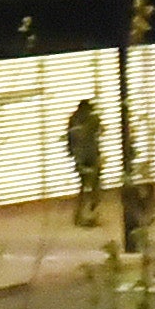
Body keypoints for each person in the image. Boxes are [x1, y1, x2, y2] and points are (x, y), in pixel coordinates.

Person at [63, 97, 106, 228]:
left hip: (80, 157)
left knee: (83, 185)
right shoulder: (92, 119)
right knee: (95, 186)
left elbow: (69, 140)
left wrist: (72, 155)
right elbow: (101, 131)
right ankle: (92, 213)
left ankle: (79, 216)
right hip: (91, 155)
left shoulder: (73, 119)